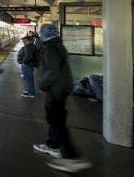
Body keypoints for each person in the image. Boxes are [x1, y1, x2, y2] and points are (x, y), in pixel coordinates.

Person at [32, 24, 92, 173]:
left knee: (56, 121)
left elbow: (51, 71)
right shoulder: (59, 46)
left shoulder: (49, 48)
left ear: (44, 34)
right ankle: (53, 145)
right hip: (62, 88)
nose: (40, 35)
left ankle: (73, 158)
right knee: (57, 120)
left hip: (55, 90)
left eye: (41, 33)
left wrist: (43, 86)